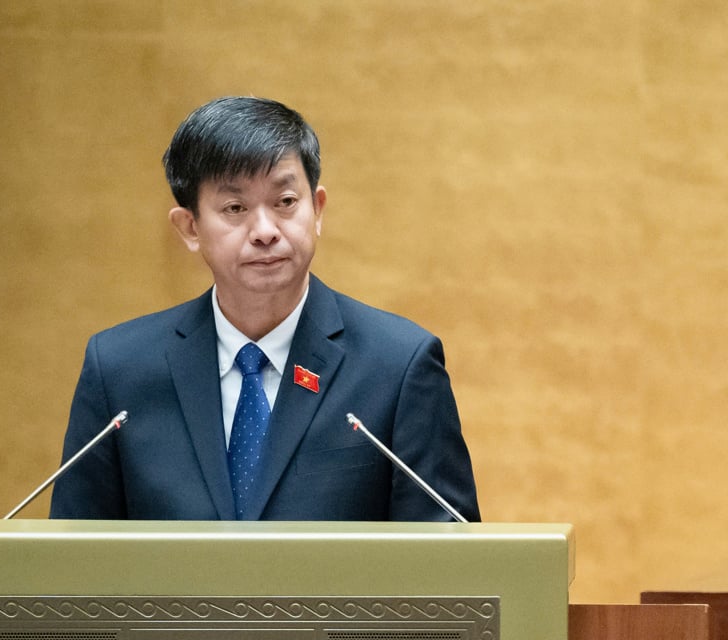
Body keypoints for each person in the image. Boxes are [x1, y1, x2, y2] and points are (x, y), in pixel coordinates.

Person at [49, 96, 480, 522]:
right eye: (235, 208)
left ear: (318, 209)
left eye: (285, 202)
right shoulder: (120, 370)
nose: (265, 231)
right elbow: (69, 568)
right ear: (190, 227)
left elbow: (453, 569)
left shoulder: (397, 366)